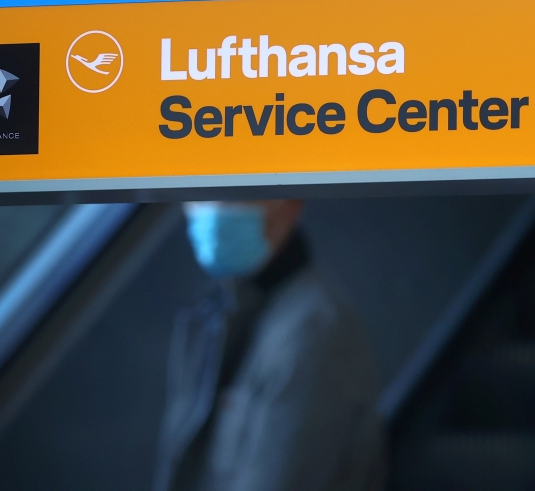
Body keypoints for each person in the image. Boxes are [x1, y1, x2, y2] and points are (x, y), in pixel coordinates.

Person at [153, 200, 385, 491]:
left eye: (234, 188)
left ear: (291, 202)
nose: (212, 206)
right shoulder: (224, 312)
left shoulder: (315, 334)